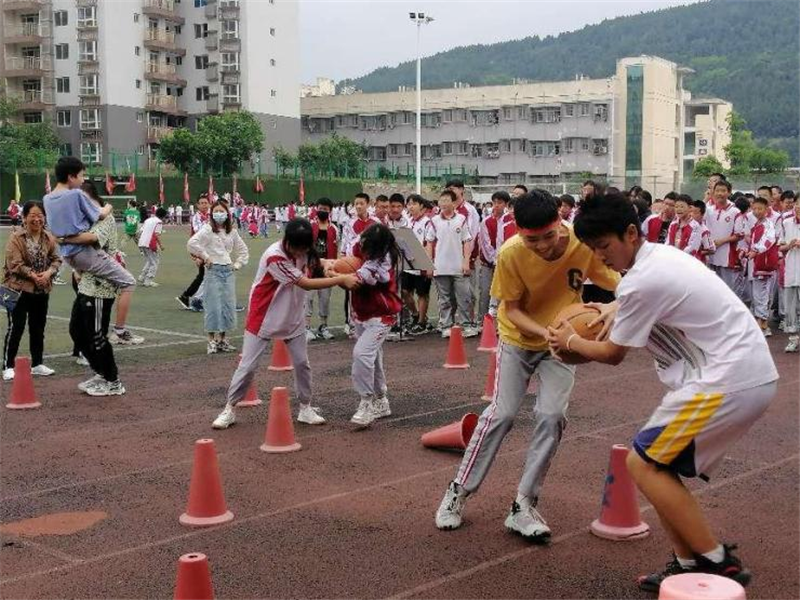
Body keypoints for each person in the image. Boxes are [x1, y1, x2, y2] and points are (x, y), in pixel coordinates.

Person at [547, 192, 777, 594]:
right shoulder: (659, 258)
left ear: (631, 233)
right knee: (659, 467)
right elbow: (634, 299)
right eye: (593, 249)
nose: (600, 257)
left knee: (643, 463)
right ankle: (687, 562)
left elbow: (612, 353)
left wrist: (570, 340)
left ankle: (717, 560)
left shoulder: (643, 279)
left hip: (726, 379)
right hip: (733, 374)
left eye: (604, 246)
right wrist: (611, 308)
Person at [435, 189, 618, 539]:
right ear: (520, 232)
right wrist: (547, 331)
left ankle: (523, 504)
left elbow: (617, 280)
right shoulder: (511, 253)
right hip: (519, 339)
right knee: (501, 414)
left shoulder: (581, 242)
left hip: (562, 345)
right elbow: (513, 310)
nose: (544, 246)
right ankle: (458, 490)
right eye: (533, 240)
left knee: (552, 417)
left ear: (560, 223)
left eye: (549, 236)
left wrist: (616, 303)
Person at [211, 219, 360, 429]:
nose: (299, 252)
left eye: (303, 248)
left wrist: (330, 265)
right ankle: (229, 408)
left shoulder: (305, 252)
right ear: (286, 240)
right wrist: (340, 280)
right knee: (248, 366)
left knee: (302, 364)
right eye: (295, 247)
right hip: (264, 315)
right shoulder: (275, 256)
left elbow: (317, 264)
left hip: (293, 315)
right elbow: (305, 283)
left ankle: (305, 408)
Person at [43, 157, 140, 345]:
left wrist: (63, 238)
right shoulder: (75, 195)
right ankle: (119, 331)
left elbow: (56, 232)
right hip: (85, 253)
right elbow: (101, 215)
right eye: (81, 175)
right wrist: (109, 206)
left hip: (68, 255)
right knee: (128, 282)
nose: (82, 179)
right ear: (71, 177)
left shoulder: (47, 198)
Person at [69, 182, 130, 397]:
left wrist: (63, 238)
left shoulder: (106, 220)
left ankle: (112, 380)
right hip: (86, 284)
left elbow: (92, 239)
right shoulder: (86, 219)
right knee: (76, 331)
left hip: (101, 287)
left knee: (96, 336)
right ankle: (100, 372)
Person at [347, 223, 403, 426]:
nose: (365, 249)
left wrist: (338, 275)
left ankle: (366, 402)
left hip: (382, 315)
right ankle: (381, 400)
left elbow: (365, 277)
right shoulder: (358, 245)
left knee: (361, 354)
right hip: (361, 312)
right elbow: (348, 260)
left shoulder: (385, 258)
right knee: (373, 357)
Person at [2, 201, 62, 381]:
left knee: (38, 327)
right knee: (16, 327)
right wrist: (35, 276)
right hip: (19, 290)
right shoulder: (16, 238)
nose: (37, 219)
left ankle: (37, 363)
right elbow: (15, 264)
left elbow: (56, 259)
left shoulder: (48, 237)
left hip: (41, 291)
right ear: (24, 217)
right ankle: (8, 365)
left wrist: (49, 272)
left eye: (40, 215)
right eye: (33, 215)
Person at [187, 200, 249, 354]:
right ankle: (211, 340)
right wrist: (205, 256)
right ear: (212, 214)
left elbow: (243, 250)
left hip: (228, 270)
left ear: (227, 214)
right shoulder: (207, 230)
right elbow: (192, 243)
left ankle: (222, 340)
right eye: (216, 211)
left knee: (227, 305)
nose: (219, 214)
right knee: (213, 305)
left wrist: (238, 264)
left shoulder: (232, 232)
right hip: (213, 270)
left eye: (222, 211)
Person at [425, 190, 477, 338]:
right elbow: (429, 242)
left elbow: (466, 241)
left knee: (464, 296)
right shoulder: (434, 221)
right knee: (444, 299)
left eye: (447, 200)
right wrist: (429, 264)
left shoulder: (461, 219)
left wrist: (466, 262)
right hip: (440, 266)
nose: (444, 203)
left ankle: (466, 324)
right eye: (442, 200)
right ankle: (446, 325)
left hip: (458, 266)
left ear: (454, 203)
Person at [341, 193, 380, 335]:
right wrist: (343, 260)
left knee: (371, 293)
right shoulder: (349, 223)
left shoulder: (376, 223)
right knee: (352, 294)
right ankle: (352, 323)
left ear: (368, 204)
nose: (358, 206)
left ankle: (371, 321)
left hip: (371, 264)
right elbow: (345, 244)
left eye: (361, 203)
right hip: (353, 263)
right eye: (356, 203)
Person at [306, 197, 338, 341]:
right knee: (308, 298)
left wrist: (333, 265)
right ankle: (306, 327)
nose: (322, 211)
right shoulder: (309, 226)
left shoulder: (334, 229)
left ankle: (323, 326)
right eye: (320, 208)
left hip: (327, 269)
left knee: (325, 299)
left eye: (325, 209)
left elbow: (337, 248)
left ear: (330, 211)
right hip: (310, 268)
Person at [745, 196, 778, 336]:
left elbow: (768, 240)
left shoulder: (768, 225)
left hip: (764, 263)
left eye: (760, 209)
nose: (757, 211)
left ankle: (763, 323)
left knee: (762, 294)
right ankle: (761, 321)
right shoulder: (758, 224)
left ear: (766, 210)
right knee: (758, 294)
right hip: (757, 263)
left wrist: (756, 250)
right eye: (755, 209)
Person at [705, 180, 744, 292]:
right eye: (717, 191)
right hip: (710, 255)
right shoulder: (709, 210)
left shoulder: (735, 211)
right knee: (712, 289)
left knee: (727, 290)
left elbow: (739, 235)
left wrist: (721, 241)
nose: (720, 193)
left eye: (723, 191)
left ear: (729, 192)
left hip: (727, 257)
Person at [403, 195, 434, 335]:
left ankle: (422, 322)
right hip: (408, 261)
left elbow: (429, 244)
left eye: (413, 204)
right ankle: (415, 314)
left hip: (421, 260)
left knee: (422, 293)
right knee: (405, 291)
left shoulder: (427, 222)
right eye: (408, 204)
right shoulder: (408, 221)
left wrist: (428, 263)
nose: (410, 206)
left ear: (421, 206)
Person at [477, 191, 508, 325]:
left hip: (504, 263)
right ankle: (482, 321)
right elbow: (485, 243)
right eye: (494, 202)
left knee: (502, 293)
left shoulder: (509, 220)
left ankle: (501, 322)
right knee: (485, 292)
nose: (496, 206)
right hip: (488, 263)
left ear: (506, 204)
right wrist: (494, 259)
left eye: (500, 203)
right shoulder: (486, 221)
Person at [176, 193, 211, 311]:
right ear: (197, 205)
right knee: (206, 276)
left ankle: (186, 296)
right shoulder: (196, 217)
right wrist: (196, 256)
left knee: (202, 276)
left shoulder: (211, 215)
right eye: (201, 203)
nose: (204, 205)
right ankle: (196, 300)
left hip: (210, 249)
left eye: (205, 203)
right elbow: (198, 233)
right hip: (201, 250)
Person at [779, 199, 800, 352]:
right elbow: (781, 246)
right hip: (791, 270)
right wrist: (789, 245)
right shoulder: (787, 222)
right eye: (798, 203)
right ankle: (793, 338)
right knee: (790, 307)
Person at [138, 207, 167, 287]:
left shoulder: (148, 220)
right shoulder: (159, 222)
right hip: (150, 243)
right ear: (163, 216)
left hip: (142, 242)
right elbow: (156, 235)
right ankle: (148, 280)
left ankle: (142, 276)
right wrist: (161, 245)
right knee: (154, 262)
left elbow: (140, 231)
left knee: (150, 260)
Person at [690, 200, 716, 264]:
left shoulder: (704, 230)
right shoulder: (686, 225)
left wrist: (698, 252)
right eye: (691, 212)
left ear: (702, 214)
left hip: (698, 263)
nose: (692, 214)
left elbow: (712, 250)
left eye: (695, 212)